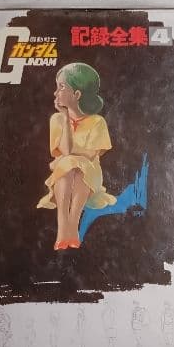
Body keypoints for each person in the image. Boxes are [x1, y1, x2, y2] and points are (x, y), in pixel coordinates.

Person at [37, 63, 115, 250]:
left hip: (90, 175)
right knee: (69, 164)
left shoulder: (97, 122)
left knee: (75, 165)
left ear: (77, 94)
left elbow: (90, 155)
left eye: (61, 87)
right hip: (63, 172)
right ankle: (66, 229)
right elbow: (65, 151)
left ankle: (71, 226)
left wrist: (73, 154)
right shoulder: (57, 119)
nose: (56, 92)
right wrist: (65, 117)